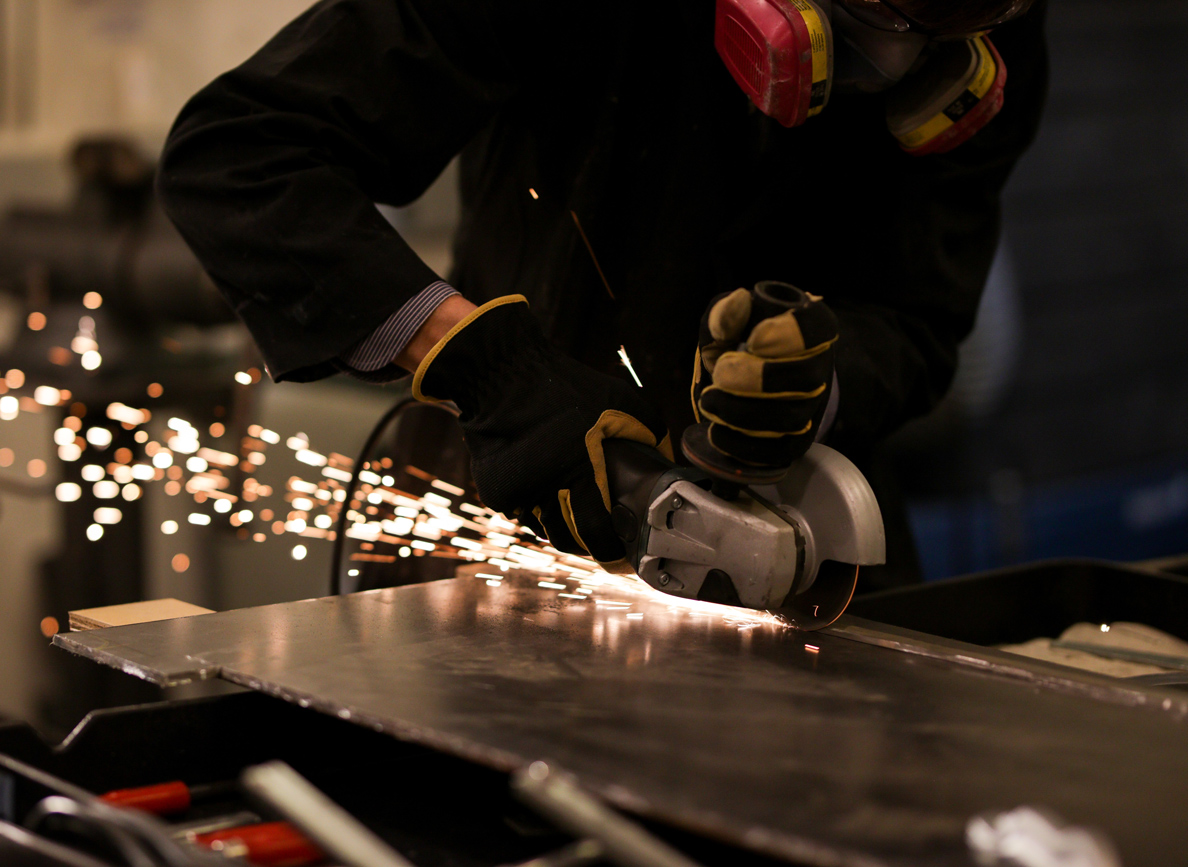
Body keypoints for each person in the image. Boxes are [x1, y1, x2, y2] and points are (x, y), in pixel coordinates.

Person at [157, 0, 1048, 588]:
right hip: (510, 505)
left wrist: (823, 385)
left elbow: (920, 314)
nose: (900, 66)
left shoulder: (991, 26)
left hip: (811, 544)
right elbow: (243, 155)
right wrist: (481, 366)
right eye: (872, 16)